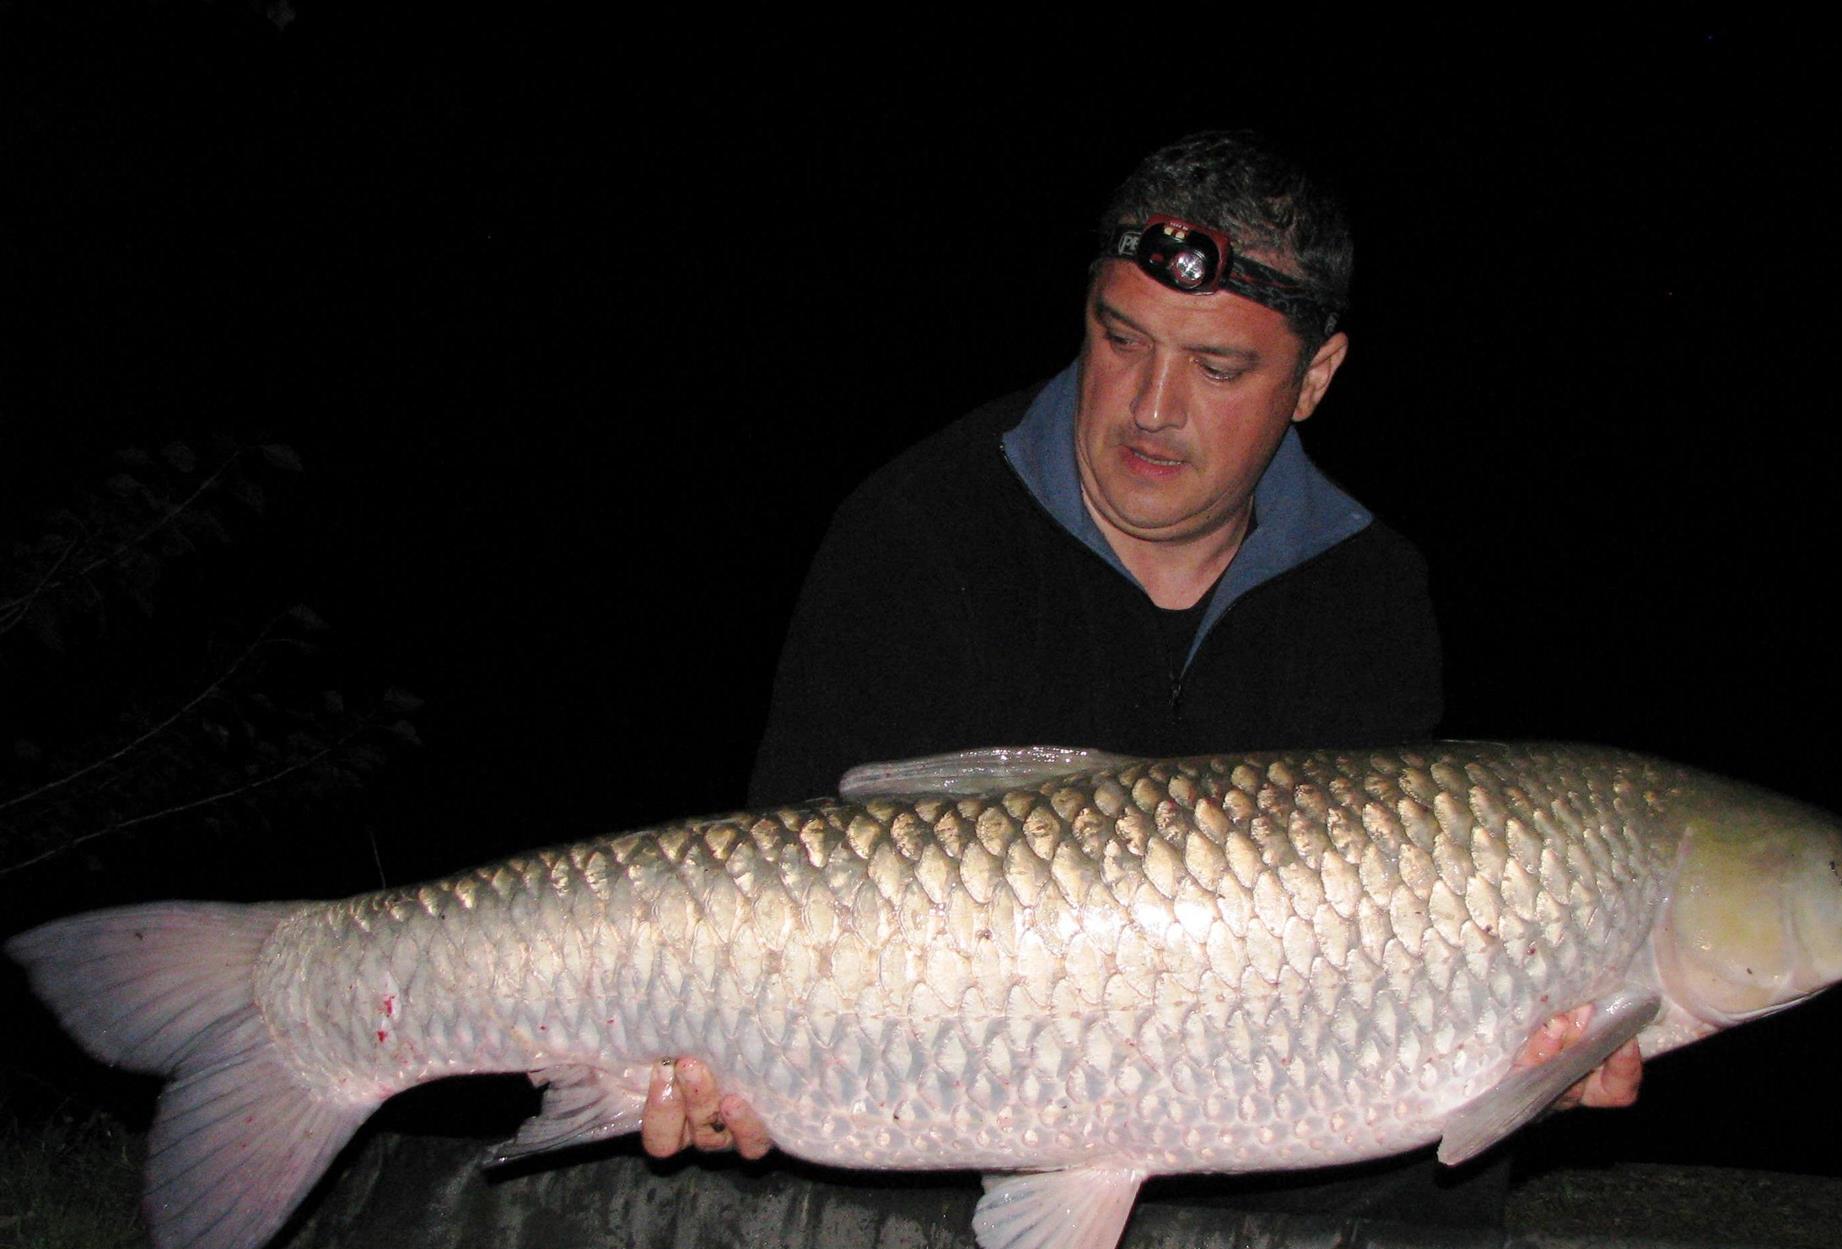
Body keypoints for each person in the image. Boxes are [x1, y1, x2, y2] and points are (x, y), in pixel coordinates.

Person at [640, 130, 1641, 1168]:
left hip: (1283, 1212)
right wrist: (732, 1068)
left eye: (1217, 367)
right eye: (1121, 340)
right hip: (925, 1157)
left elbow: (1375, 999)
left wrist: (1523, 1066)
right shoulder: (921, 535)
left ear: (1314, 376)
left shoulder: (1369, 595)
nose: (1151, 408)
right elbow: (782, 889)